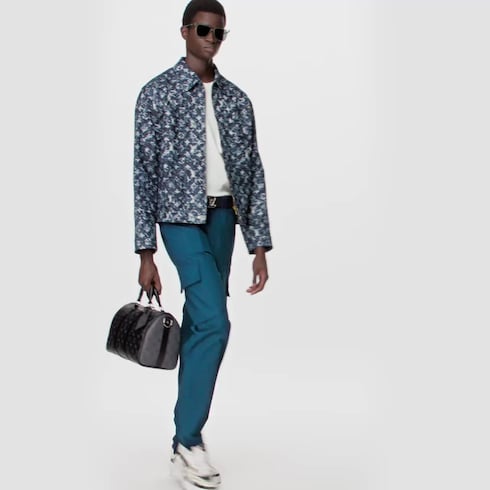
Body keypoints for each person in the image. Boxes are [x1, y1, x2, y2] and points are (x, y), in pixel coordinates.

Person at [133, 0, 272, 488]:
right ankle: (190, 440)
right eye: (203, 30)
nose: (211, 39)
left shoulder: (237, 100)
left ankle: (181, 443)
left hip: (224, 218)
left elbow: (252, 173)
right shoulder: (157, 93)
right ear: (185, 31)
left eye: (219, 33)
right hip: (178, 220)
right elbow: (143, 173)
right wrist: (145, 251)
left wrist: (258, 244)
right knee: (215, 321)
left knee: (200, 323)